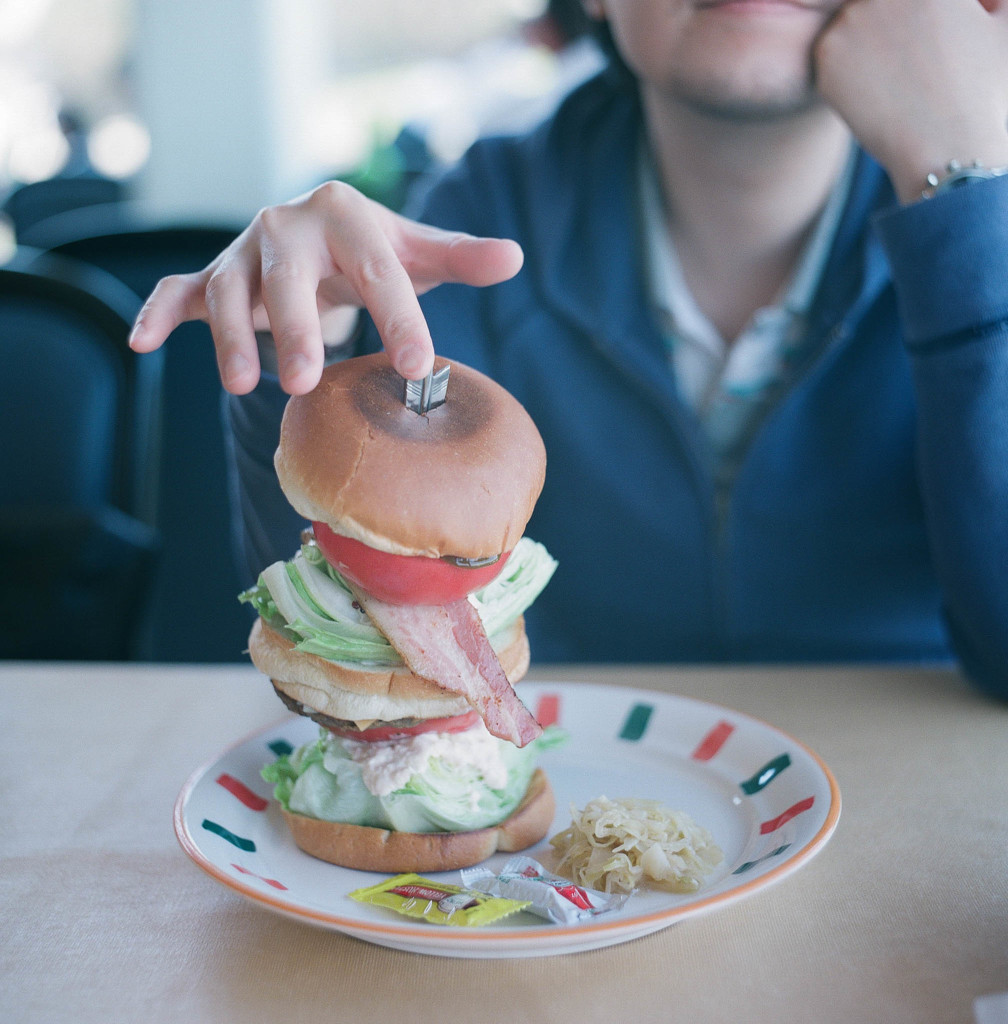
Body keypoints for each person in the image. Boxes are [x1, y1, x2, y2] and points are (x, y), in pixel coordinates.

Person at [128, 0, 1008, 697]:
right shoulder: (476, 224)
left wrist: (966, 196)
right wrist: (315, 360)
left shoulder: (987, 226)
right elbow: (339, 655)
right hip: (561, 811)